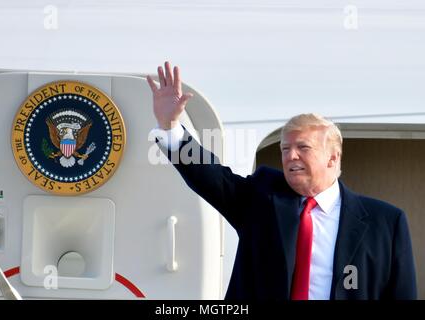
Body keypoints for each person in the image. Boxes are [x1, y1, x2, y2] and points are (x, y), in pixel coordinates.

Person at [147, 61, 417, 300]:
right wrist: (171, 129)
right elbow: (211, 176)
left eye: (303, 148)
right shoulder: (261, 198)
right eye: (285, 149)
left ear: (333, 158)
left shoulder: (385, 222)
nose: (291, 156)